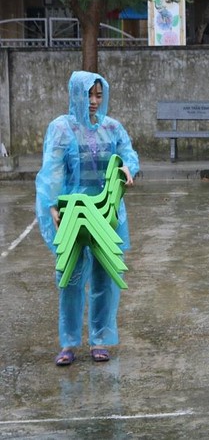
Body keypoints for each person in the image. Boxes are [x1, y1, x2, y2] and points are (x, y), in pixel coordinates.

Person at [35, 71, 140, 366]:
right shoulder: (61, 129)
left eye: (98, 95)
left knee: (104, 276)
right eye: (87, 95)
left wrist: (128, 168)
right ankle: (68, 343)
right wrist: (52, 205)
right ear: (75, 94)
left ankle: (100, 339)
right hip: (71, 213)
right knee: (70, 278)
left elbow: (128, 155)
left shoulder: (112, 128)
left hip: (106, 214)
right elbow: (51, 170)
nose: (93, 101)